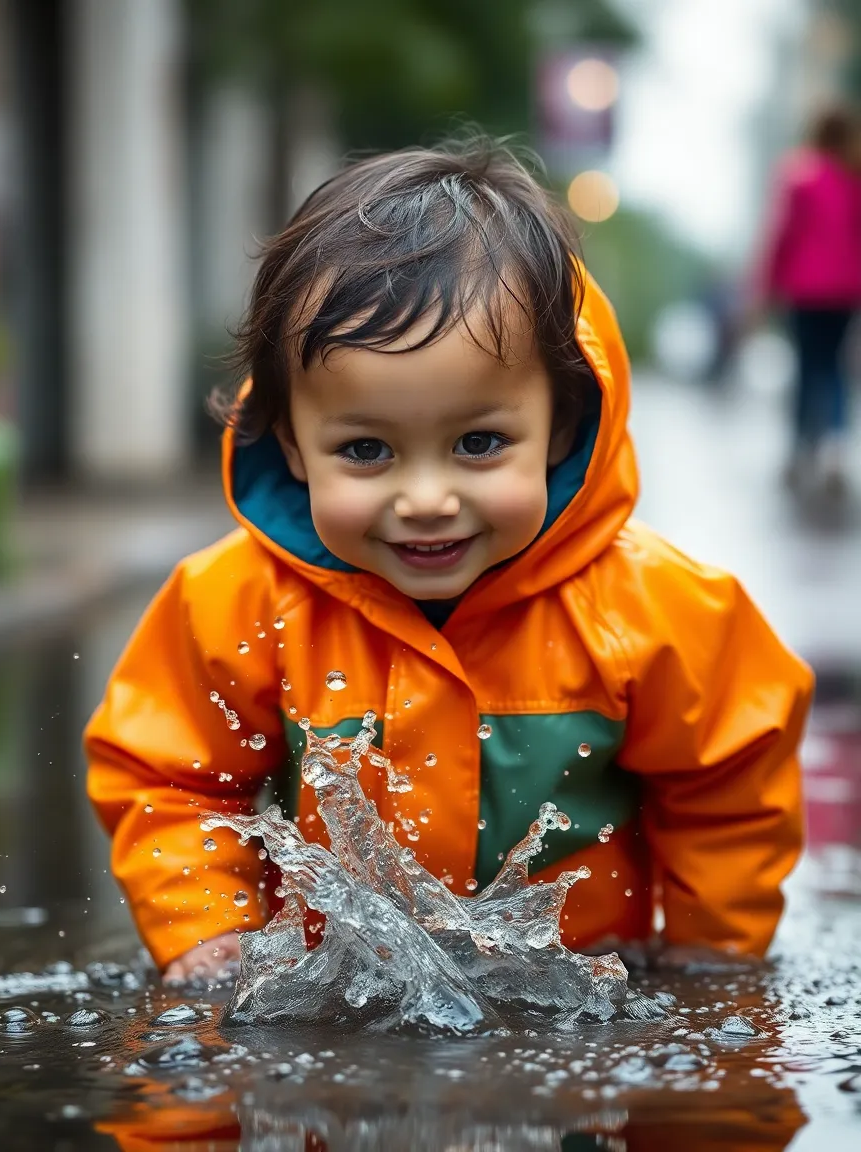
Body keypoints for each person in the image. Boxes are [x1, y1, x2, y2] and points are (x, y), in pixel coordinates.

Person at [85, 138, 813, 985]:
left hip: (578, 1013)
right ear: (291, 446)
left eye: (478, 443)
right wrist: (208, 929)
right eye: (365, 449)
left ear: (564, 427)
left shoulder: (660, 613)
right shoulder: (237, 604)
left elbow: (728, 796)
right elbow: (169, 780)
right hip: (341, 1017)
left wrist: (710, 957)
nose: (425, 497)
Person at [752, 105, 861, 491]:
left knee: (806, 367)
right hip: (846, 290)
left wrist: (765, 287)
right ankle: (834, 444)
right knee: (833, 367)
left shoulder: (799, 175)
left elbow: (782, 234)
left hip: (804, 288)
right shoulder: (853, 178)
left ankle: (800, 450)